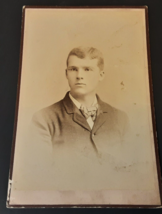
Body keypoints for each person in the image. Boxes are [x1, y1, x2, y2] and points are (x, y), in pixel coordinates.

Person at [26, 47, 130, 190]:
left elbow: (131, 171)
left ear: (101, 75)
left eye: (87, 69)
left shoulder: (120, 118)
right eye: (73, 69)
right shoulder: (44, 118)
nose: (79, 75)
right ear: (66, 74)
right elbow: (39, 175)